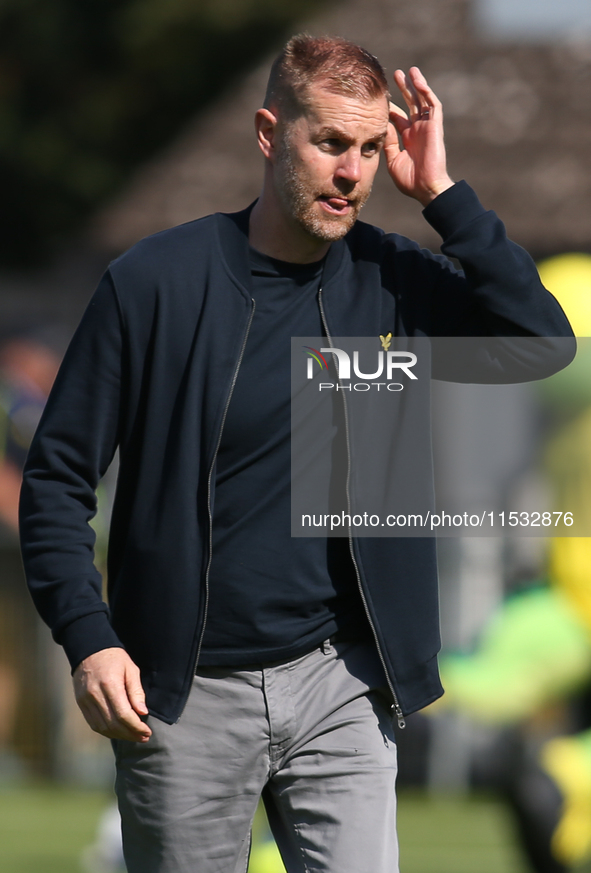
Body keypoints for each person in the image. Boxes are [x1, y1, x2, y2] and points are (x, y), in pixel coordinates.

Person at [19, 34, 574, 873]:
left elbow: (540, 345)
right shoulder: (153, 283)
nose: (352, 173)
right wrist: (90, 637)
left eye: (368, 149)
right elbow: (57, 481)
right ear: (268, 132)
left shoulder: (392, 280)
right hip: (181, 689)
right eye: (329, 144)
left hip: (341, 683)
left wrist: (444, 196)